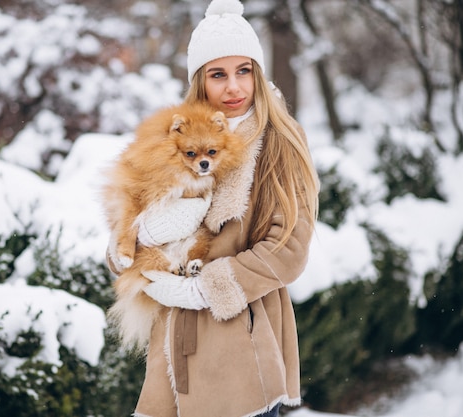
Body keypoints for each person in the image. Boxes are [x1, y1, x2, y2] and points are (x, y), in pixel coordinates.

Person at [107, 0, 319, 416]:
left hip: (240, 347)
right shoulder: (174, 137)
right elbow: (124, 213)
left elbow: (289, 250)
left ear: (258, 73)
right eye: (218, 74)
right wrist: (136, 238)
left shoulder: (278, 141)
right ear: (199, 82)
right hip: (172, 353)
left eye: (244, 71)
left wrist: (204, 288)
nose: (234, 88)